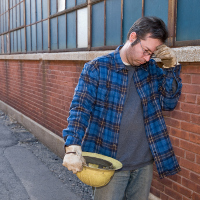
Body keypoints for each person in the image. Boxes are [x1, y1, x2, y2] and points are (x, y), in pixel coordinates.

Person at [62, 16, 182, 200]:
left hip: (143, 163)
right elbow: (80, 109)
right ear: (133, 37)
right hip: (110, 163)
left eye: (152, 54)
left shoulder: (152, 70)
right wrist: (72, 145)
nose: (147, 58)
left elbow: (169, 104)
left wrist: (171, 69)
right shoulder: (97, 68)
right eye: (145, 51)